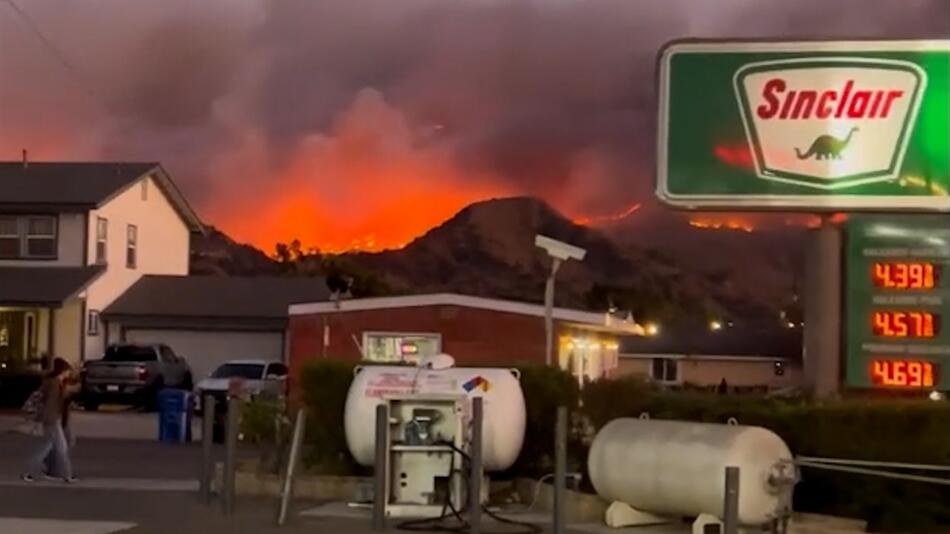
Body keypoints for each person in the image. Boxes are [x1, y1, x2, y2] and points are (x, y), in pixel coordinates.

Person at [21, 357, 77, 483]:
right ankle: (65, 475)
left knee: (52, 447)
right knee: (57, 448)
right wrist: (51, 418)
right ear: (62, 371)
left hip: (53, 420)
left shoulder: (56, 383)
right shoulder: (54, 383)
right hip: (52, 420)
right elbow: (51, 404)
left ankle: (59, 474)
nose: (69, 373)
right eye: (67, 371)